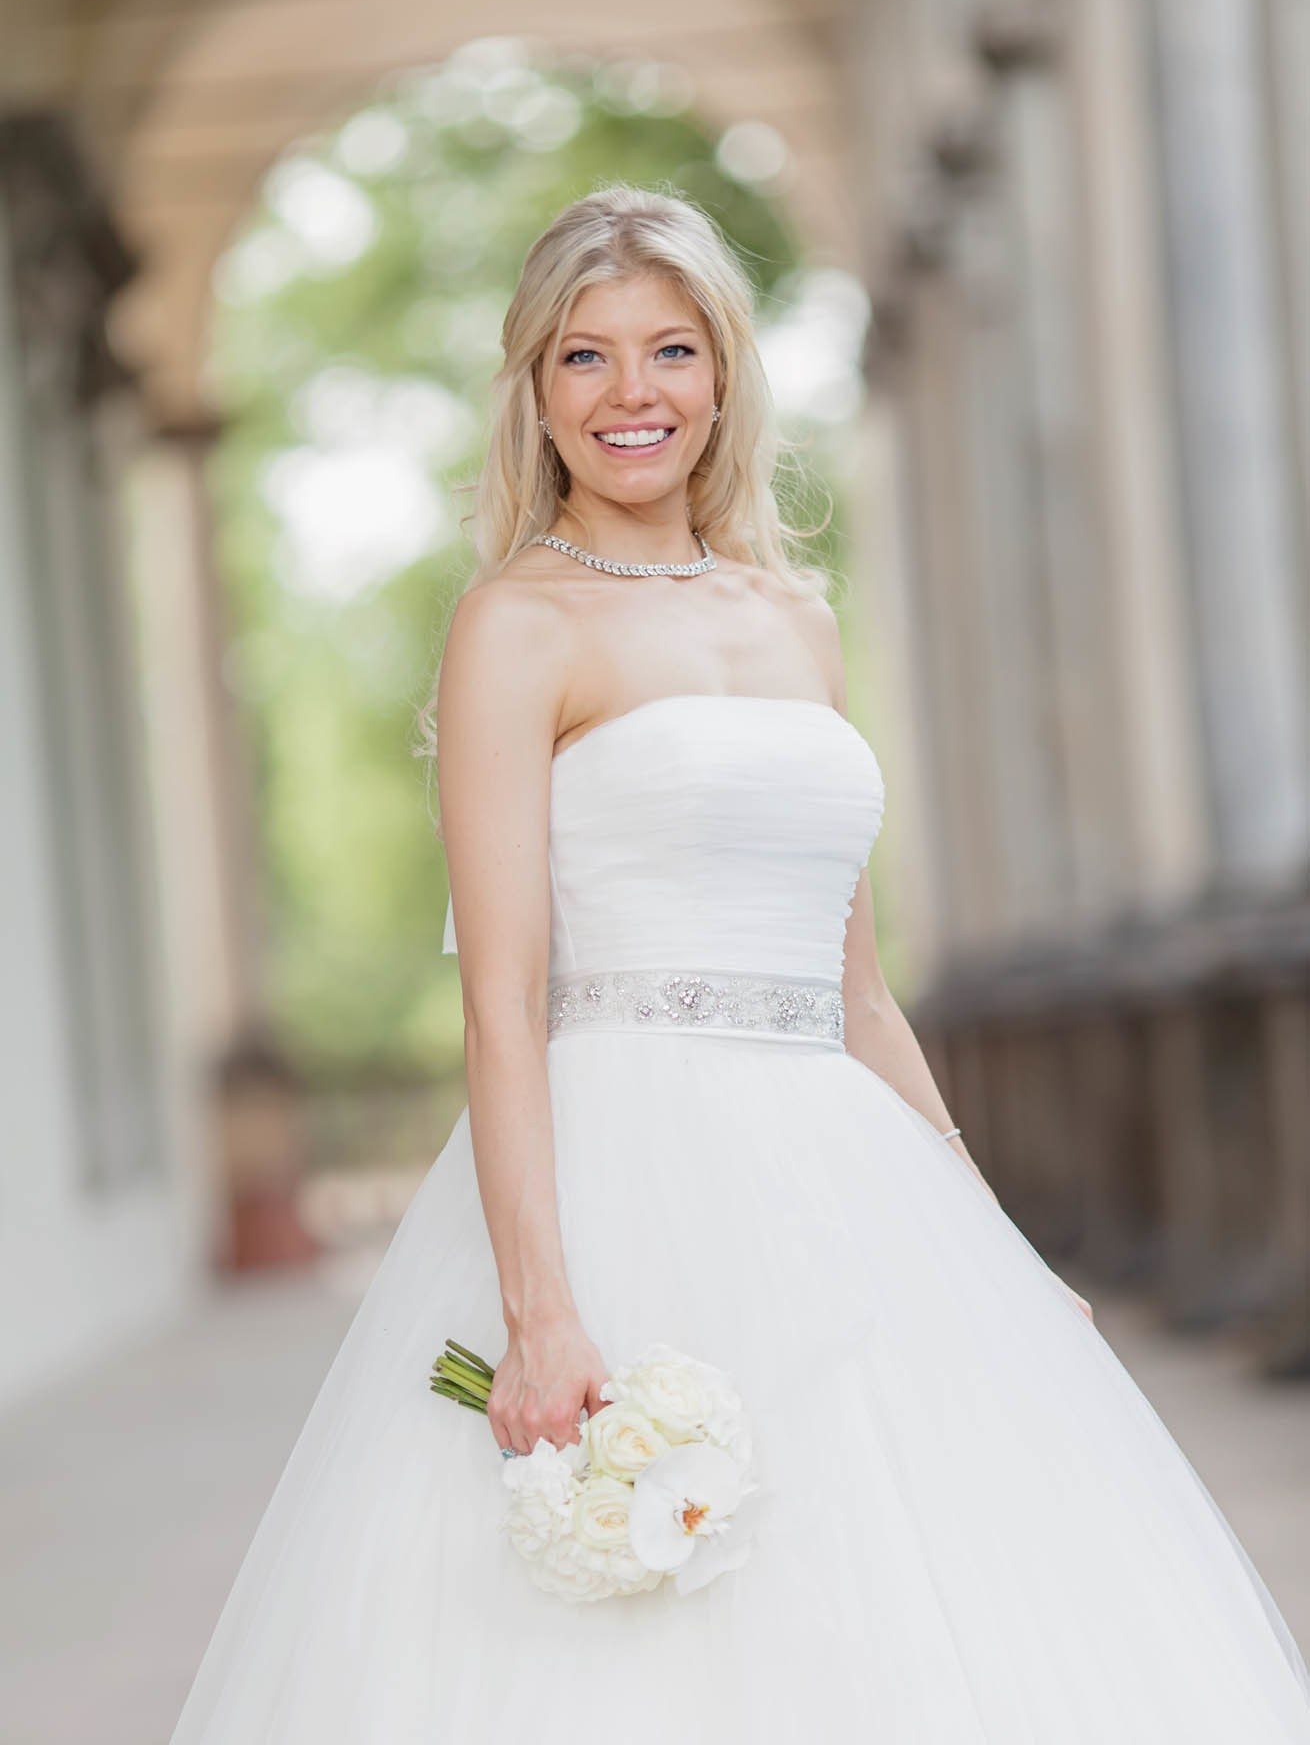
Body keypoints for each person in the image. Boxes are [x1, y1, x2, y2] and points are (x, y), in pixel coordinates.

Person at [168, 182, 1310, 1742]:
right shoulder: (516, 626)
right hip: (621, 1164)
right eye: (584, 357)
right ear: (534, 390)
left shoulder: (795, 618)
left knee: (905, 1598)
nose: (631, 395)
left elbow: (853, 988)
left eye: (670, 350)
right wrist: (540, 1307)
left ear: (722, 375)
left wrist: (997, 1244)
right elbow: (500, 1000)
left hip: (846, 1183)